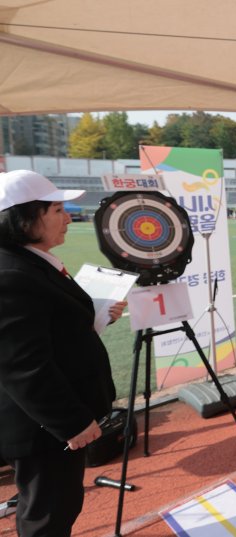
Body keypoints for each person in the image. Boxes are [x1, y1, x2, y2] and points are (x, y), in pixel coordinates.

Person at [0, 170, 125, 536]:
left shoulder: (28, 263)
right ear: (22, 219)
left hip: (47, 424)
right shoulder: (12, 274)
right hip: (46, 429)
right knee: (48, 516)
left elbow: (48, 332)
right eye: (57, 209)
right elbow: (23, 365)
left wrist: (94, 318)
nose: (68, 217)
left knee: (55, 506)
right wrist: (71, 422)